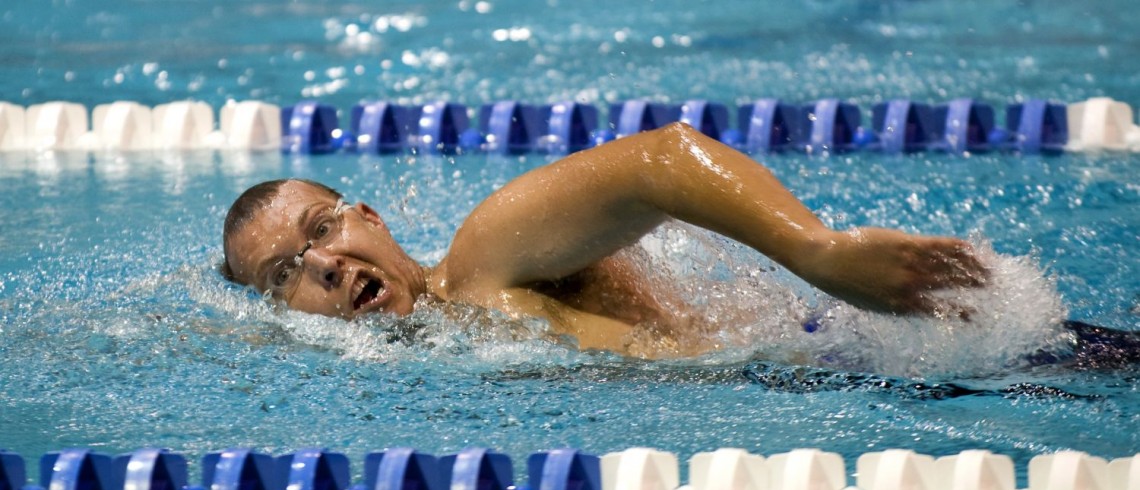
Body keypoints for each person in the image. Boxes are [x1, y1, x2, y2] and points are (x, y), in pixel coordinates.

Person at [221, 122, 989, 357]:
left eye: (323, 229)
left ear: (371, 217)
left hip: (872, 354)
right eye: (284, 274)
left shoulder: (485, 257)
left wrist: (819, 252)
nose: (325, 265)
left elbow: (658, 161)